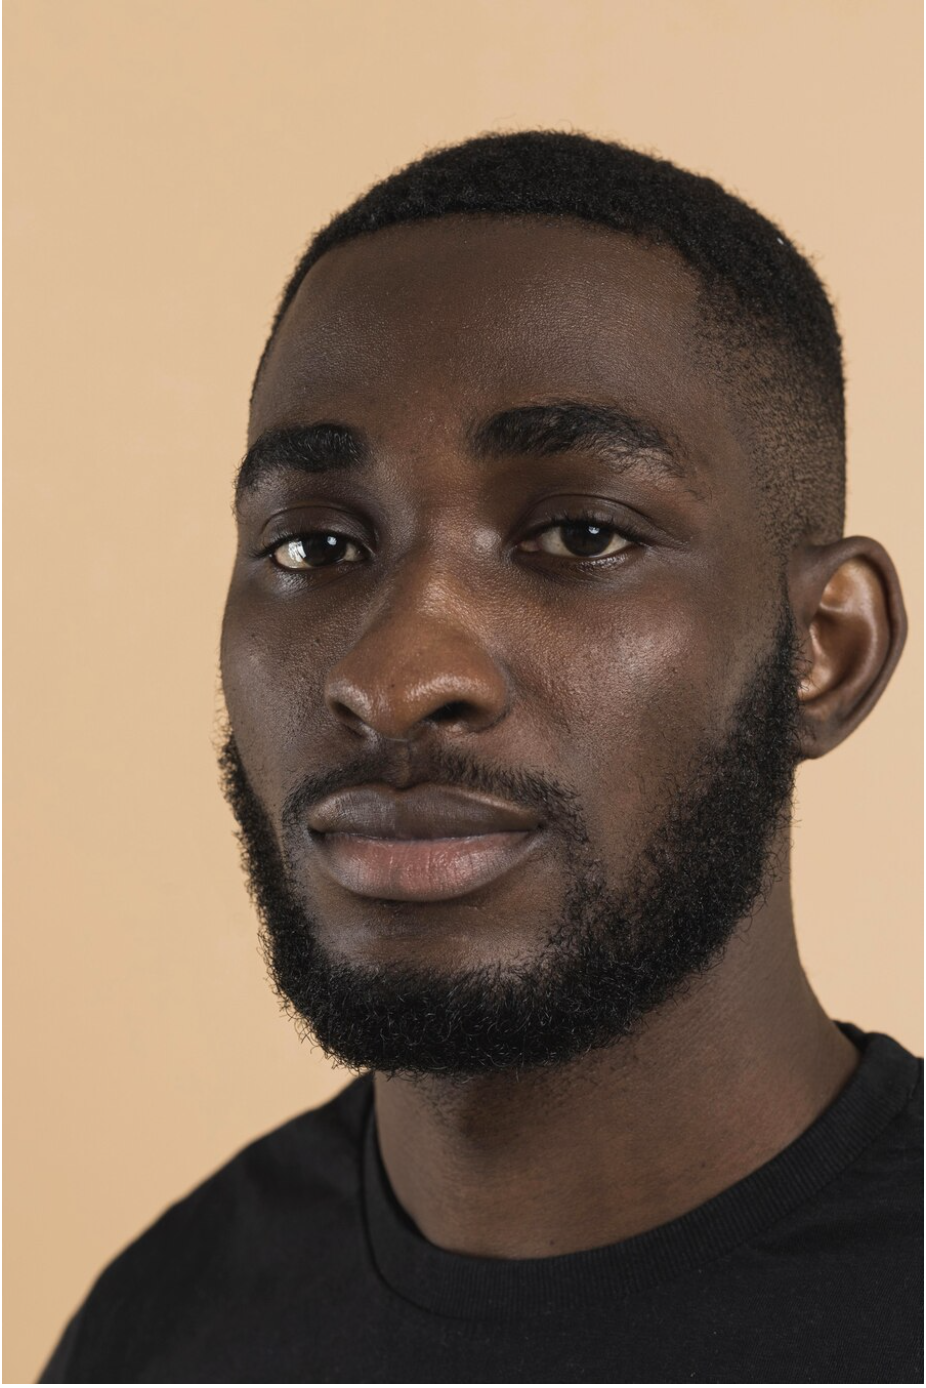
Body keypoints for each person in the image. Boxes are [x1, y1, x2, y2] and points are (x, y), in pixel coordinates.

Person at [41, 131, 921, 1385]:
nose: (395, 677)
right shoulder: (159, 1330)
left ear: (823, 650)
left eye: (579, 534)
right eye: (313, 547)